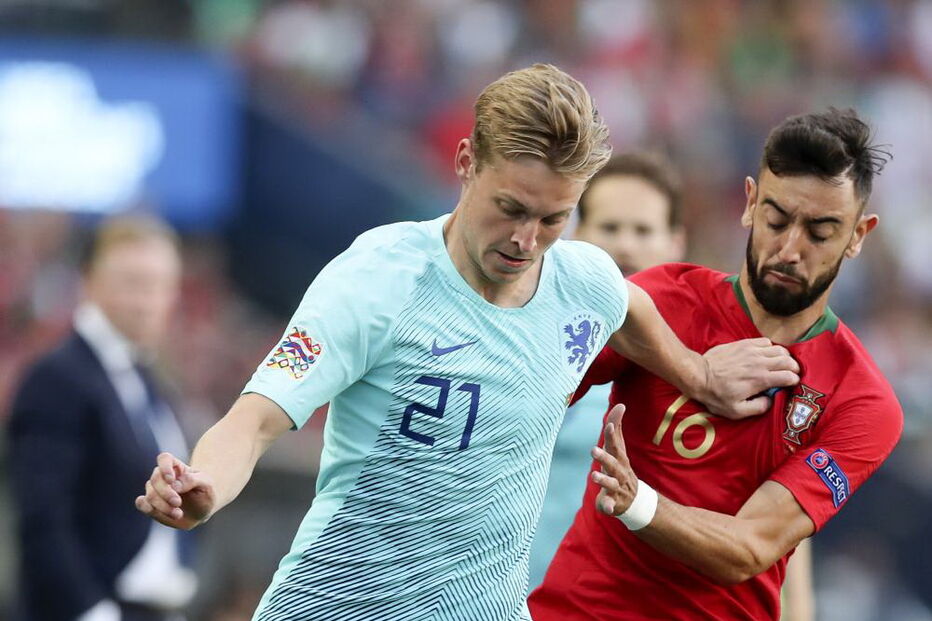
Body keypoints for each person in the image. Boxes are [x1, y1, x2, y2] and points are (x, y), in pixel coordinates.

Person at [135, 64, 798, 621]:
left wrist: (696, 373)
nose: (526, 239)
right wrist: (205, 489)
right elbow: (252, 421)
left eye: (552, 218)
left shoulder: (585, 281)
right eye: (509, 207)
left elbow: (629, 310)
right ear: (464, 162)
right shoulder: (378, 279)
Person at [528, 108, 903, 620]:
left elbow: (750, 547)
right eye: (776, 220)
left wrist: (638, 502)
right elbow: (524, 395)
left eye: (821, 232)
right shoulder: (659, 298)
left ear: (859, 235)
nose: (790, 249)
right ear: (750, 204)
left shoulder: (864, 400)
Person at [8, 215, 197, 621]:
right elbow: (43, 520)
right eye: (134, 282)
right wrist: (92, 612)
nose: (149, 301)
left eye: (162, 285)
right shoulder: (57, 377)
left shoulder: (149, 379)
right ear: (89, 282)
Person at [526, 151, 685, 588]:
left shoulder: (702, 372)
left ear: (676, 243)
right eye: (610, 228)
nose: (625, 245)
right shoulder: (525, 337)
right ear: (577, 234)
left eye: (643, 230)